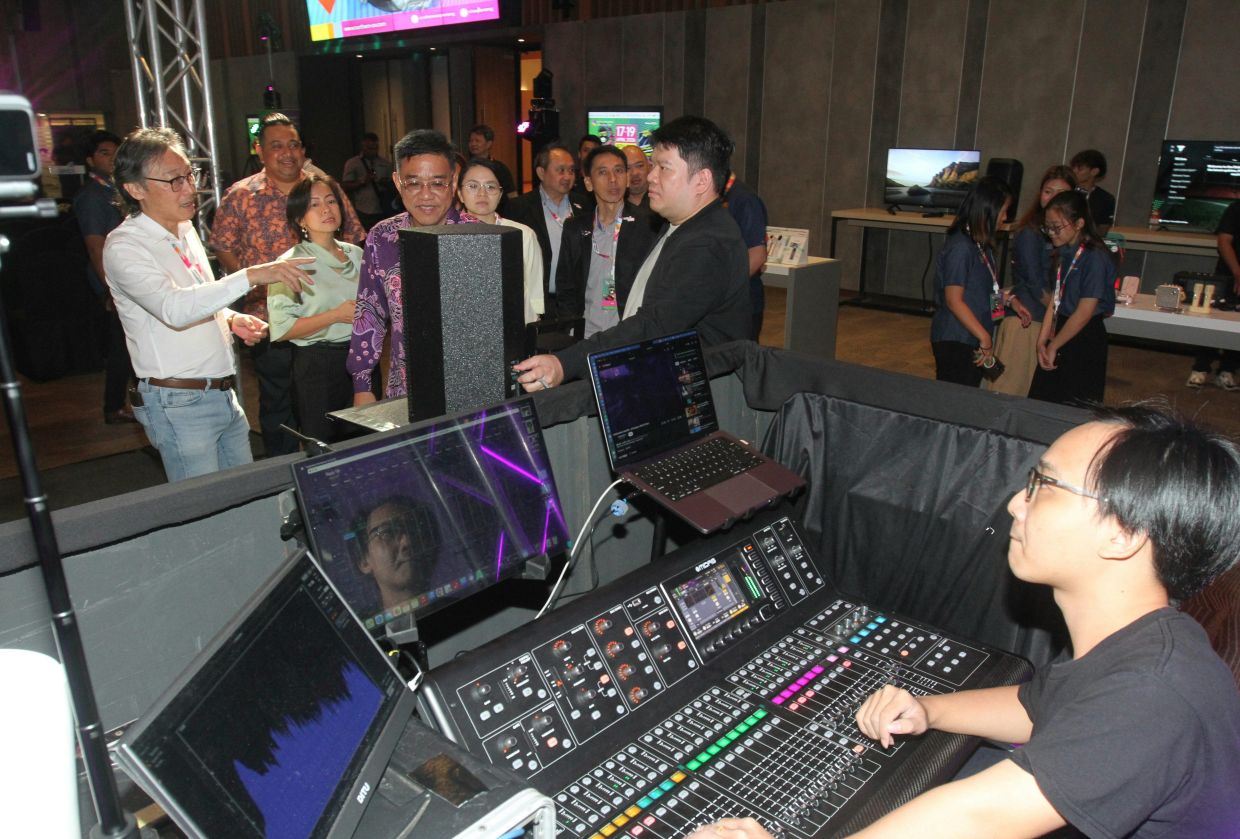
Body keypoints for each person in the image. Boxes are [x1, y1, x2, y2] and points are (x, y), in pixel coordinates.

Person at [692, 404, 1240, 839]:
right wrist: (930, 709)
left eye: (1045, 487)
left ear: (1123, 534)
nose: (1015, 507)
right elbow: (1039, 708)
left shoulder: (1151, 695)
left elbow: (982, 819)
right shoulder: (1149, 641)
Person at [102, 127, 314, 482]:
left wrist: (230, 319)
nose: (189, 189)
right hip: (178, 402)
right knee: (202, 515)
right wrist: (252, 275)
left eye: (190, 175)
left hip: (220, 393)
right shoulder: (125, 246)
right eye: (174, 180)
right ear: (135, 188)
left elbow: (199, 294)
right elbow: (173, 309)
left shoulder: (183, 230)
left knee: (242, 498)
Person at [514, 115, 751, 391]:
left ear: (701, 180)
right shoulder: (683, 226)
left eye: (663, 168)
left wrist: (566, 363)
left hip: (700, 390)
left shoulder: (707, 242)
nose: (650, 176)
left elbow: (653, 326)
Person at [212, 112, 366, 456]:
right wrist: (256, 286)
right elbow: (221, 244)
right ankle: (282, 478)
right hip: (269, 320)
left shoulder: (324, 187)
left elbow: (354, 236)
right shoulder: (241, 195)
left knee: (337, 418)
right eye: (276, 145)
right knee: (278, 405)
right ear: (260, 150)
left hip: (333, 325)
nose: (287, 152)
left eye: (293, 144)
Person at [348, 128, 462, 406]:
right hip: (406, 389)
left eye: (437, 183)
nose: (426, 195)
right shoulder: (382, 238)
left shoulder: (480, 237)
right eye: (414, 183)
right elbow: (370, 312)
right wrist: (362, 383)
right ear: (398, 183)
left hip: (470, 388)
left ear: (454, 181)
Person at [267, 175, 362, 445]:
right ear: (300, 219)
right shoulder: (289, 263)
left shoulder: (357, 254)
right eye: (314, 205)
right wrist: (335, 316)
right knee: (324, 447)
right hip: (318, 365)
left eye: (331, 201)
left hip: (360, 359)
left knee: (364, 441)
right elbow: (282, 329)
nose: (326, 210)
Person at [982, 165, 1074, 397]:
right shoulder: (1030, 233)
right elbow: (1034, 285)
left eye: (1060, 193)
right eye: (1047, 191)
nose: (1052, 198)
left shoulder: (1062, 235)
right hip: (1027, 322)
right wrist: (1059, 317)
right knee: (1009, 392)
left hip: (1037, 320)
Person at [552, 144, 661, 337]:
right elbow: (565, 286)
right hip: (585, 336)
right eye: (603, 172)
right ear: (588, 182)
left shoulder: (649, 225)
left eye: (619, 171)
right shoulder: (576, 228)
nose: (613, 180)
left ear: (627, 179)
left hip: (628, 335)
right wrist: (570, 330)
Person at [1028, 190, 1117, 406]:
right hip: (1061, 328)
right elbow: (1056, 298)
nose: (1051, 232)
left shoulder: (1095, 256)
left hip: (1083, 335)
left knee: (1073, 403)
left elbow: (1085, 311)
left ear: (1079, 223)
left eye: (1057, 227)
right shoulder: (1066, 251)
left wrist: (1054, 345)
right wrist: (1042, 339)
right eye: (1047, 227)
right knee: (1043, 400)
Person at [72, 129, 136, 425]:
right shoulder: (92, 196)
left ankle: (129, 401)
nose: (111, 159)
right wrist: (109, 288)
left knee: (129, 343)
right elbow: (95, 245)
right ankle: (114, 406)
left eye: (115, 152)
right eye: (103, 153)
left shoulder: (117, 189)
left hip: (126, 278)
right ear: (89, 160)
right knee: (121, 346)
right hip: (111, 281)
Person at [929, 176, 1014, 387]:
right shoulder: (961, 247)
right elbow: (953, 300)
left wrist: (1007, 301)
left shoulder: (979, 244)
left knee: (968, 396)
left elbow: (985, 288)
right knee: (956, 399)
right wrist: (985, 338)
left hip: (972, 335)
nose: (1005, 217)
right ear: (988, 210)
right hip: (957, 337)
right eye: (1003, 210)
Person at [456, 157, 546, 325]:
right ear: (460, 193)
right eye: (473, 186)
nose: (482, 193)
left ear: (500, 194)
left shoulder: (522, 235)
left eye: (490, 186)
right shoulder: (448, 235)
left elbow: (535, 294)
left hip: (511, 328)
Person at [505, 144, 583, 313]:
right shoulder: (519, 209)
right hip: (538, 303)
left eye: (571, 170)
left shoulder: (585, 206)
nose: (567, 176)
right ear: (541, 173)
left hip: (576, 303)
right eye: (560, 170)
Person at [1185, 198, 1240, 390]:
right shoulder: (1236, 208)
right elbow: (1224, 241)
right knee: (1213, 320)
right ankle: (1200, 368)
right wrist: (1237, 271)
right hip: (1229, 275)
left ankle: (1228, 370)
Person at [351, 496, 440, 613]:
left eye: (415, 530)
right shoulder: (360, 630)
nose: (406, 542)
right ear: (364, 561)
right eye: (387, 533)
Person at [721, 171, 769, 340]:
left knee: (743, 360)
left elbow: (757, 255)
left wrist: (720, 291)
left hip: (741, 303)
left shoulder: (744, 199)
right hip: (718, 307)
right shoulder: (713, 194)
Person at [340, 131, 396, 230]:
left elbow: (393, 185)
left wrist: (385, 183)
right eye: (369, 148)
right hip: (363, 210)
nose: (373, 151)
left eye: (375, 148)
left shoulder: (386, 164)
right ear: (363, 147)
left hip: (382, 209)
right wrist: (362, 182)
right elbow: (344, 186)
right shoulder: (353, 163)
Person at [466, 124, 517, 200]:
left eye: (477, 141)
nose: (473, 144)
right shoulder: (466, 167)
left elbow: (512, 195)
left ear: (489, 144)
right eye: (470, 141)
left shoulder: (500, 168)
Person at [1068, 148, 1115, 232]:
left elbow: (1103, 228)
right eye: (1073, 167)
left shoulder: (1106, 199)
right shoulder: (1066, 192)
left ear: (1094, 172)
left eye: (1079, 169)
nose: (1074, 171)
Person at [569, 133, 602, 211]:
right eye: (586, 150)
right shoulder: (570, 178)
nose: (590, 154)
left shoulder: (605, 181)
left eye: (594, 151)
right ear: (579, 154)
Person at [623, 143, 651, 209]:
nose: (634, 173)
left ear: (649, 167)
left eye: (640, 166)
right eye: (627, 168)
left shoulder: (664, 201)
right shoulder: (614, 205)